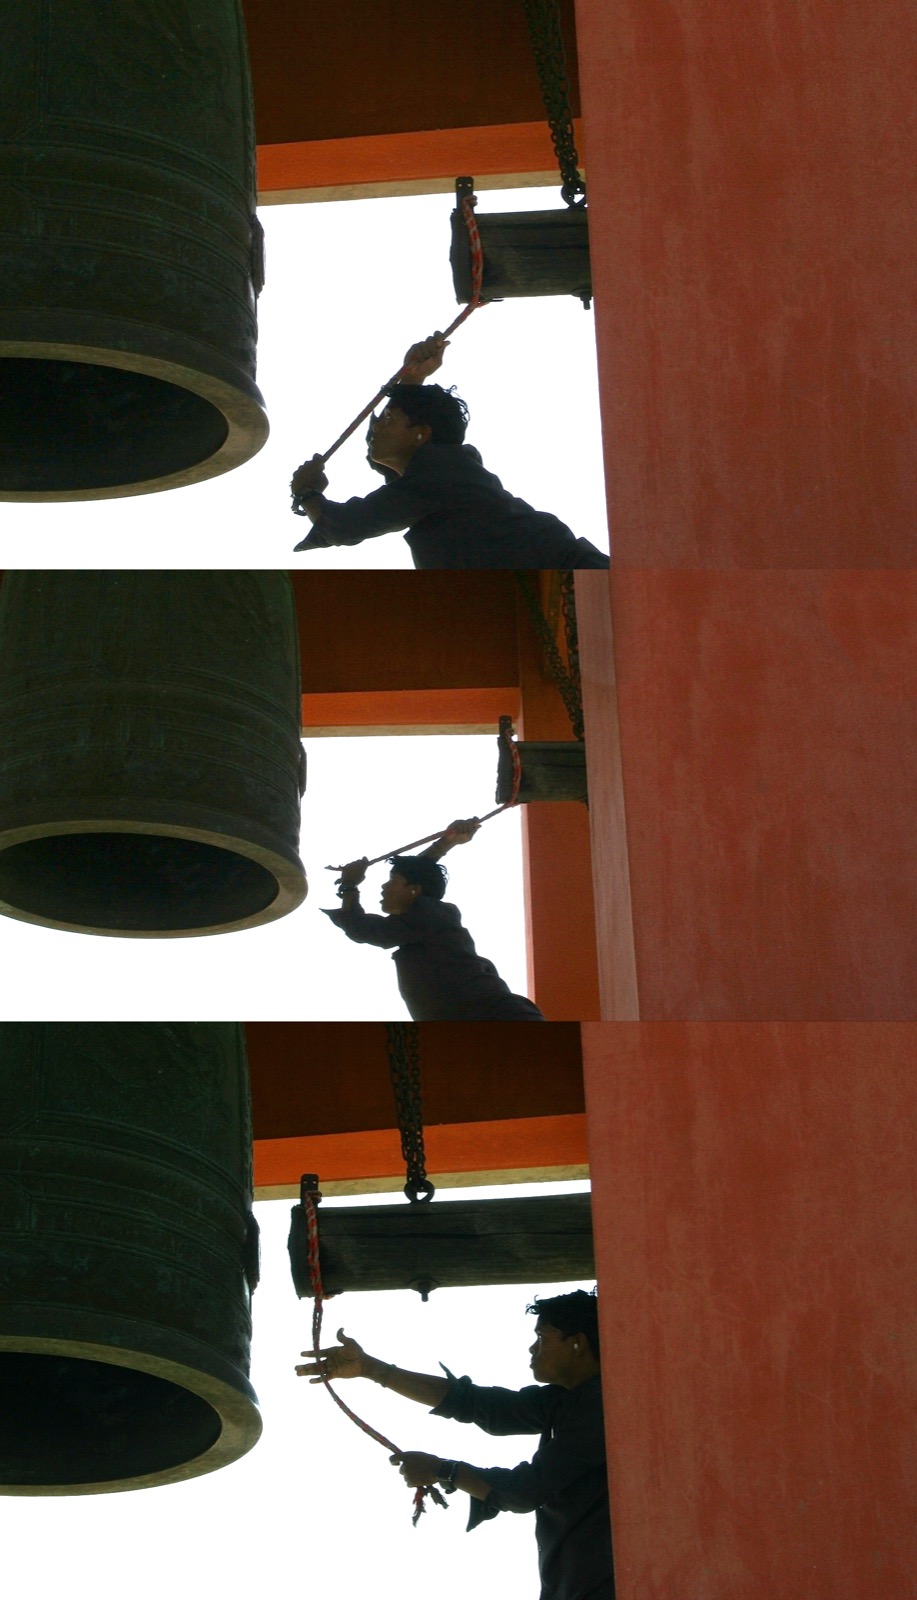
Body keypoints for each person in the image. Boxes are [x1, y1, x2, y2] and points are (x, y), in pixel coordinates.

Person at [296, 1289, 614, 1600]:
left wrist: (442, 1470)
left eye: (542, 1338)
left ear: (577, 1343)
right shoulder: (567, 1400)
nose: (532, 1349)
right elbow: (477, 1404)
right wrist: (369, 1368)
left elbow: (524, 1491)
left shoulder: (600, 1405)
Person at [290, 335, 610, 569]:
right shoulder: (444, 474)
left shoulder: (438, 476)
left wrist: (307, 492)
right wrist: (412, 380)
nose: (376, 429)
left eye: (388, 418)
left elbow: (345, 525)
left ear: (422, 434)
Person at [322, 818, 545, 1020]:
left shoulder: (427, 914)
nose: (384, 886)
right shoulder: (428, 916)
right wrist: (447, 842)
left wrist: (349, 886)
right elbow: (418, 872)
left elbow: (364, 929)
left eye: (392, 881)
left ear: (414, 890)